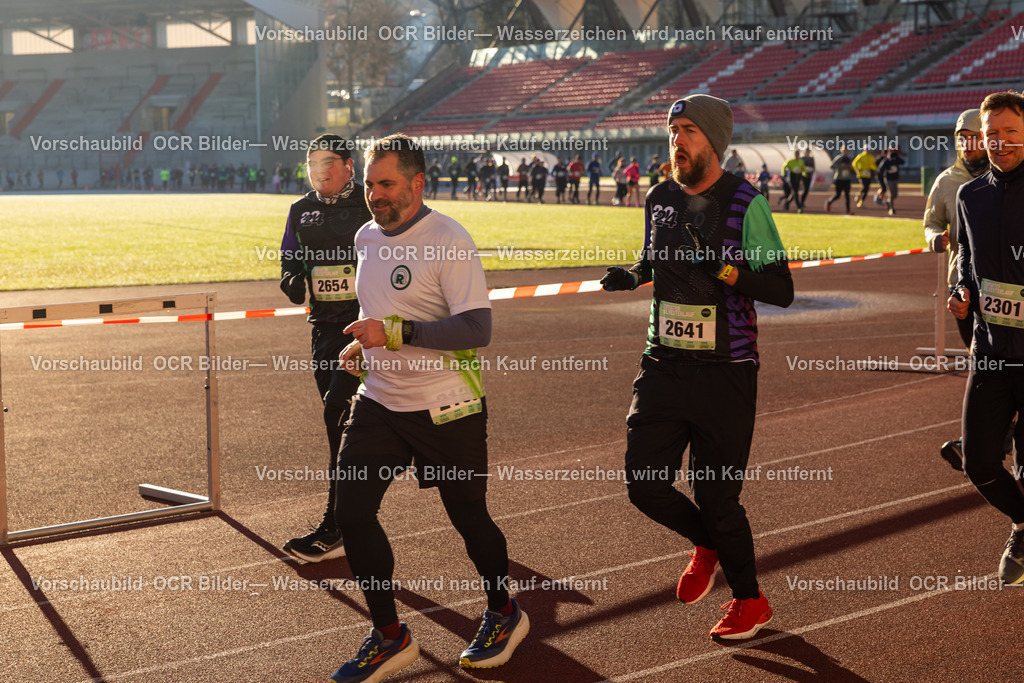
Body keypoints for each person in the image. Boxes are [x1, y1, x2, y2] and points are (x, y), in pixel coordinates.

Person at [329, 133, 528, 681]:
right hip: (382, 402)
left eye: (386, 184)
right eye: (369, 184)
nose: (375, 195)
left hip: (448, 406)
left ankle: (503, 609)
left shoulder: (449, 239)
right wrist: (362, 343)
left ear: (418, 183)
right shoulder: (366, 237)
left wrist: (391, 332)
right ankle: (391, 635)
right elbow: (382, 312)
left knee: (468, 517)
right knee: (352, 511)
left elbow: (477, 329)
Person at [601, 94, 794, 640]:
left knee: (717, 496)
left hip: (725, 369)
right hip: (663, 362)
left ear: (713, 140)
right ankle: (706, 542)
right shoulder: (660, 196)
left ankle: (750, 601)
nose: (676, 140)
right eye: (671, 129)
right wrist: (633, 275)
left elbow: (781, 288)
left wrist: (728, 271)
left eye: (687, 130)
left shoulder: (744, 202)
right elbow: (654, 257)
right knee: (644, 484)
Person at [278, 134, 372, 562]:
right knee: (344, 424)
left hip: (366, 333)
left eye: (329, 161)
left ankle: (339, 524)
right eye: (313, 161)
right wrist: (293, 281)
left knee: (343, 417)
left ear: (349, 165)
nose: (320, 169)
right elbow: (288, 263)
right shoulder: (301, 210)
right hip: (325, 334)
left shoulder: (369, 206)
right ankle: (345, 521)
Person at [947, 90, 1024, 586]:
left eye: (1010, 132)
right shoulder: (969, 196)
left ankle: (1021, 534)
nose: (1000, 142)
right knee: (978, 461)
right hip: (992, 354)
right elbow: (969, 266)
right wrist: (962, 292)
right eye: (991, 134)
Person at [923, 109, 992, 470]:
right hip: (961, 287)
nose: (968, 144)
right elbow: (931, 221)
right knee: (980, 362)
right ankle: (984, 440)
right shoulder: (947, 181)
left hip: (1004, 287)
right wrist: (936, 237)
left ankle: (979, 441)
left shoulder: (1006, 176)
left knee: (997, 364)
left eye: (974, 137)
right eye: (962, 138)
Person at [826, 146, 855, 215]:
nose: (846, 152)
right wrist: (839, 166)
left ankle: (848, 210)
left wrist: (851, 168)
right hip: (839, 179)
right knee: (838, 195)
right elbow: (832, 166)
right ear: (841, 151)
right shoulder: (839, 158)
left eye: (847, 150)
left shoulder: (848, 159)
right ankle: (829, 202)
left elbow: (850, 168)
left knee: (847, 195)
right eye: (844, 150)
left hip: (847, 179)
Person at [876, 148, 904, 215]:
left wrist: (897, 156)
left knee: (895, 194)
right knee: (891, 193)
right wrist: (887, 169)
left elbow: (903, 162)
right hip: (888, 179)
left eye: (894, 150)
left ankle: (888, 201)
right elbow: (880, 169)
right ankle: (891, 209)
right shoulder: (886, 160)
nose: (893, 151)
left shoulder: (896, 158)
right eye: (891, 150)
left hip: (895, 178)